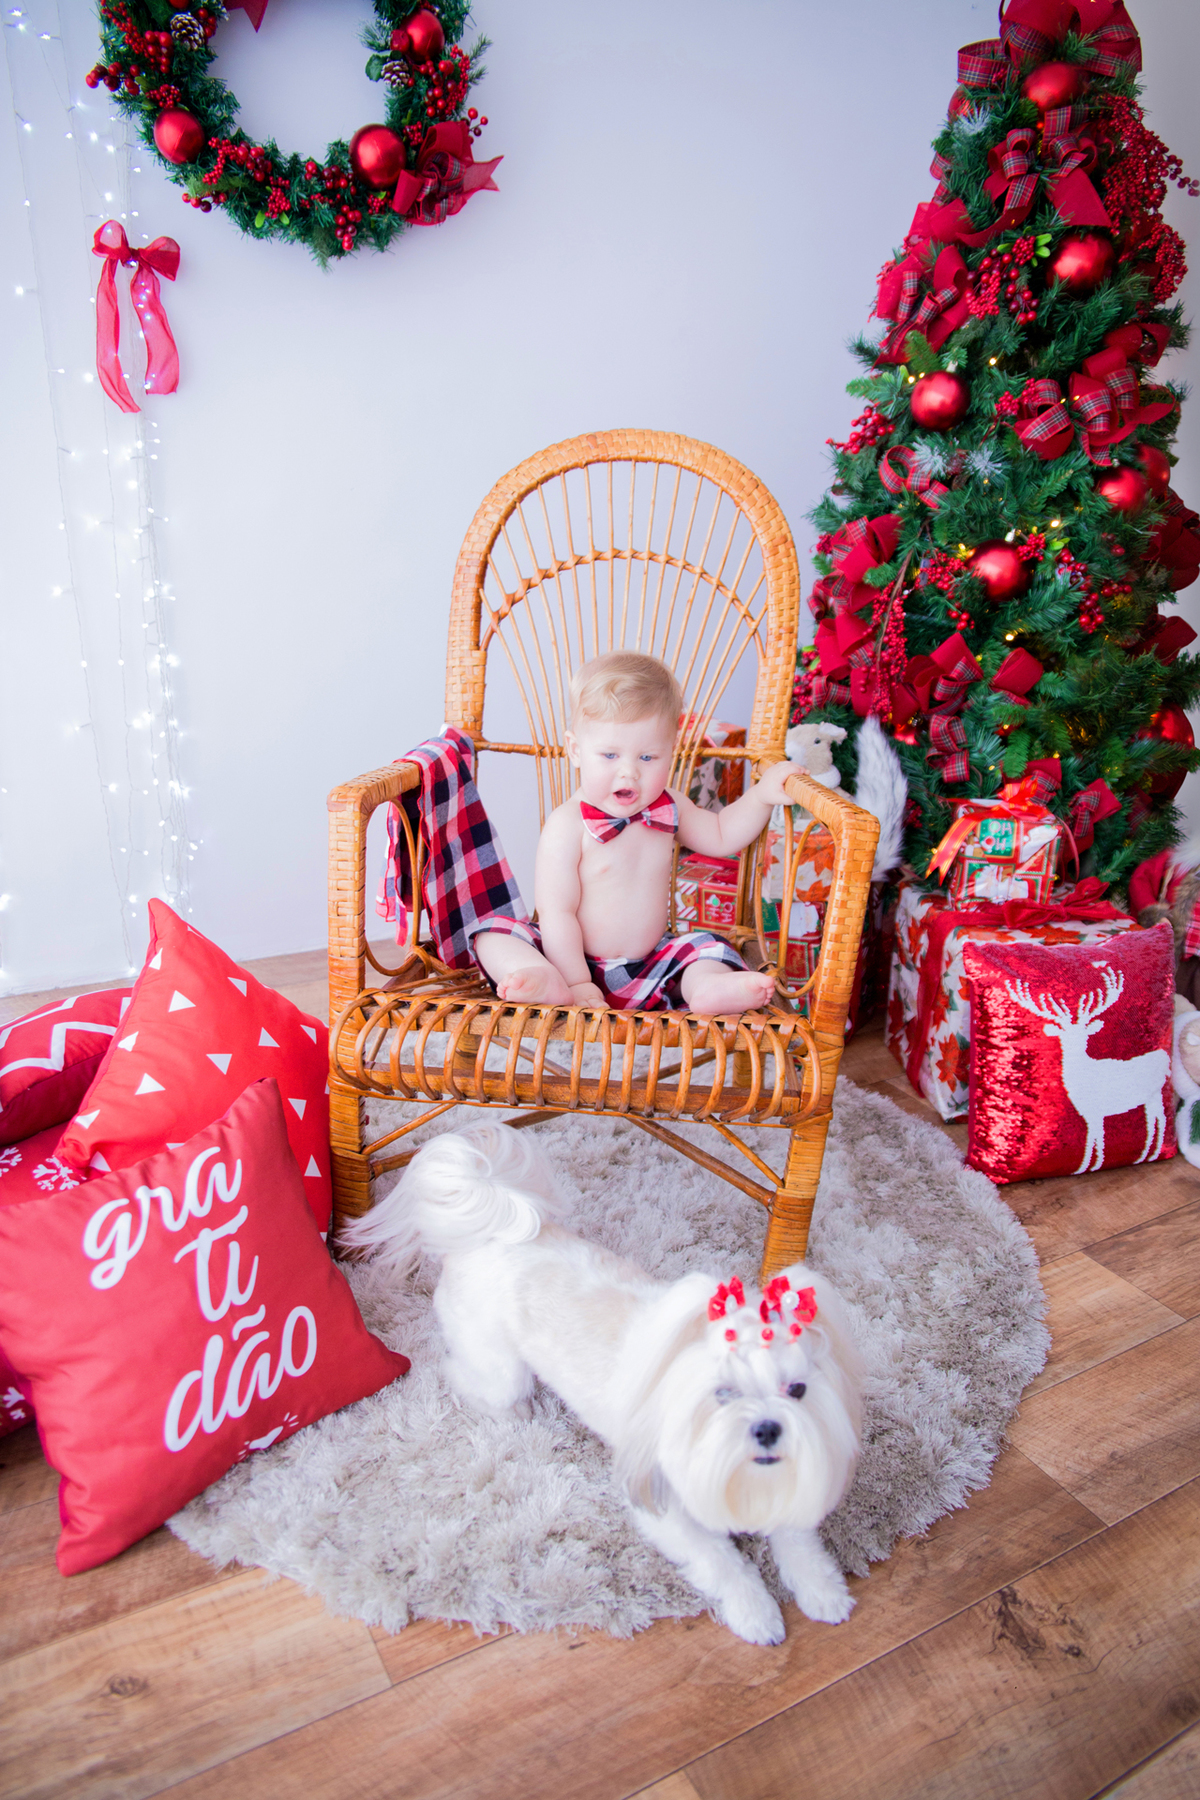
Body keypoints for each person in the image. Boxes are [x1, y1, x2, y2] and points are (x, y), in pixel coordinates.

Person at [472, 651, 805, 1016]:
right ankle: (537, 978)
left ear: (671, 752)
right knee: (492, 933)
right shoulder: (567, 826)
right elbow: (557, 914)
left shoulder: (671, 807)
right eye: (610, 756)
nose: (629, 772)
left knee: (707, 947)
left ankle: (707, 987)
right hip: (568, 962)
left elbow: (722, 834)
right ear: (576, 750)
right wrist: (577, 981)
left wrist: (760, 796)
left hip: (651, 967)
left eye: (648, 758)